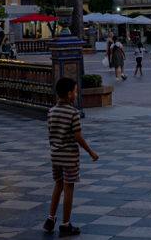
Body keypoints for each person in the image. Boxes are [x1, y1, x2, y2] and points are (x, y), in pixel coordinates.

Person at [43, 78, 98, 237]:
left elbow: (50, 136)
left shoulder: (51, 111)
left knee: (57, 186)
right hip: (69, 157)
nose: (76, 94)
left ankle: (50, 219)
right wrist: (90, 152)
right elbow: (78, 137)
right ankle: (65, 225)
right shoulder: (73, 113)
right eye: (75, 91)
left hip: (55, 156)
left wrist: (55, 148)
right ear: (69, 95)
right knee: (68, 189)